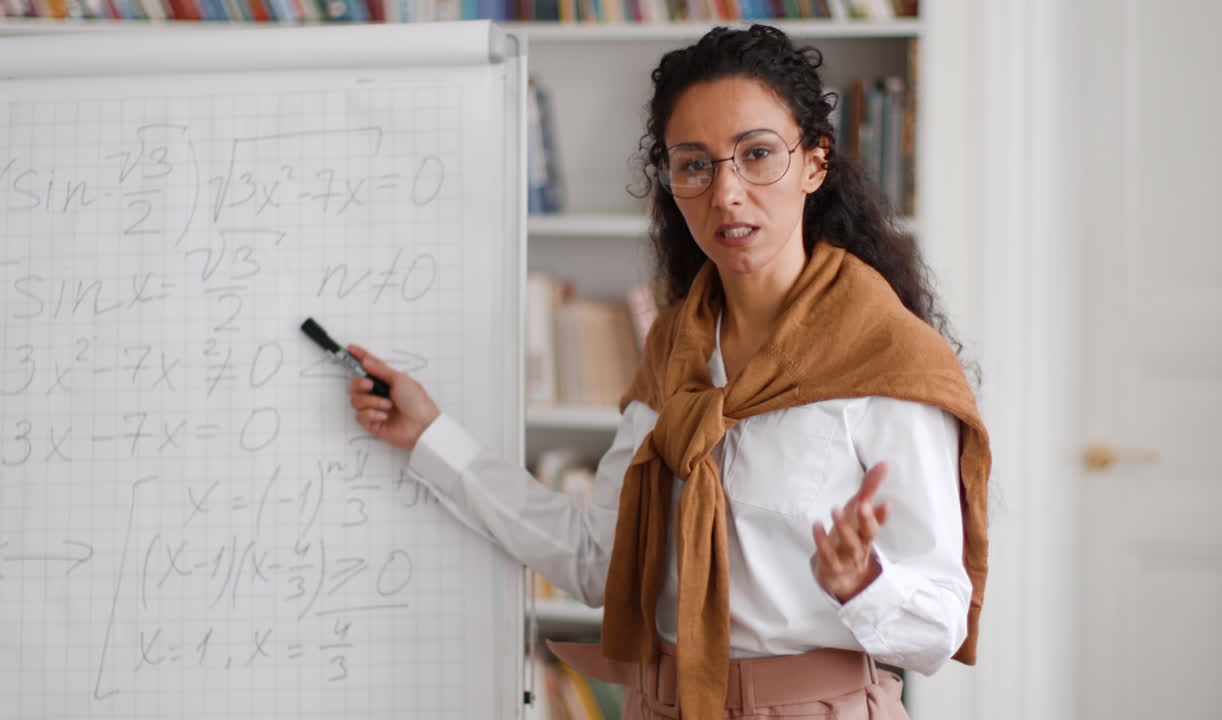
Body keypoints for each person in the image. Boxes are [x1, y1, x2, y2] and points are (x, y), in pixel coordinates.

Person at [347, 25, 991, 720]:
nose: (727, 193)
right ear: (672, 185)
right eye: (696, 165)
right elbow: (597, 560)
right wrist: (430, 437)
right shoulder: (674, 352)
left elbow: (940, 626)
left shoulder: (886, 359)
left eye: (758, 154)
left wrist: (862, 581)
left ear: (815, 163)